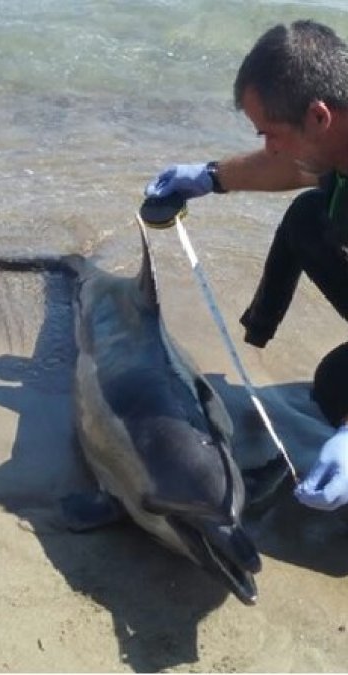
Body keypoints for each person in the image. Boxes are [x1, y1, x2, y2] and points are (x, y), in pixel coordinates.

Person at [145, 19, 348, 511]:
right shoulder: (333, 140)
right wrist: (210, 178)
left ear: (319, 116)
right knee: (335, 384)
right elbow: (291, 165)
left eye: (272, 134)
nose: (268, 145)